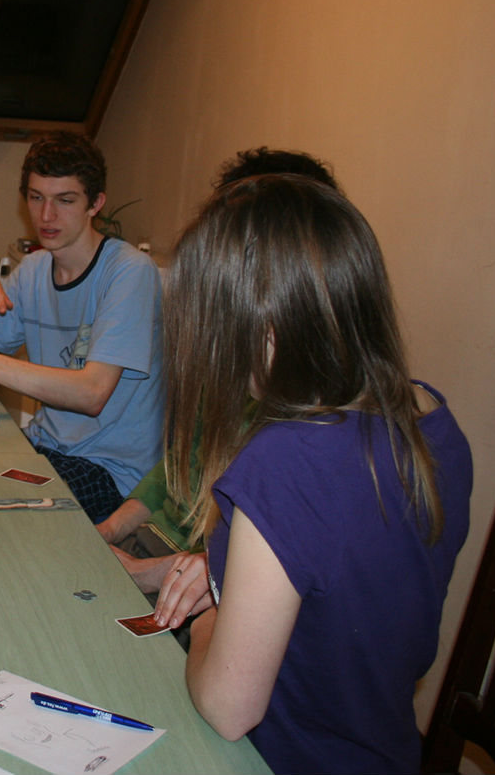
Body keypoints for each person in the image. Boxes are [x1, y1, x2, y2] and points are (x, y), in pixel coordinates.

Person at [159, 175, 471, 774]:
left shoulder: (286, 459)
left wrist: (211, 620)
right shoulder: (434, 423)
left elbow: (228, 708)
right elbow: (346, 573)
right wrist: (230, 576)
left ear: (265, 327)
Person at [96, 148, 340, 626]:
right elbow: (173, 469)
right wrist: (108, 530)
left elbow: (233, 578)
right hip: (158, 553)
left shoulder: (306, 432)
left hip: (185, 582)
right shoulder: (237, 364)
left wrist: (144, 573)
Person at [0, 133, 164, 521]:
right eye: (36, 198)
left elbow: (92, 394)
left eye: (65, 200)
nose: (46, 216)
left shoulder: (130, 271)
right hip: (45, 448)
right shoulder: (33, 270)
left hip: (110, 471)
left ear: (95, 203)